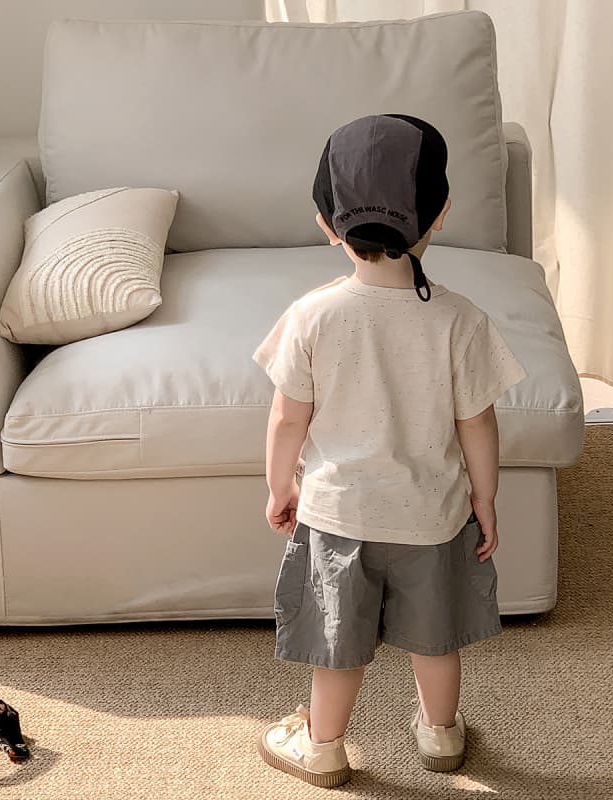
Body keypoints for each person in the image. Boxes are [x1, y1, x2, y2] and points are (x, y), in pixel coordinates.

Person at [252, 114, 526, 788]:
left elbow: (287, 419)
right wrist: (485, 498)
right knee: (435, 638)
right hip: (431, 517)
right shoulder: (460, 319)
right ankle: (440, 733)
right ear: (441, 214)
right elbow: (478, 423)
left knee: (337, 645)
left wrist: (282, 487)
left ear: (326, 223)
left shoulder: (311, 316)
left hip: (338, 516)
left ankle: (323, 747)